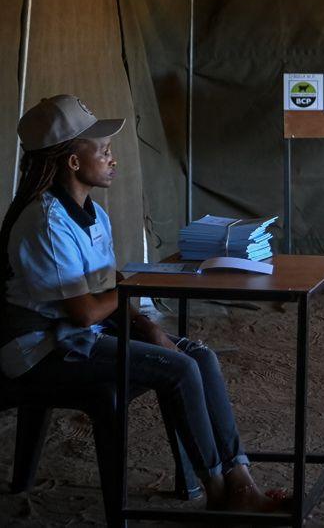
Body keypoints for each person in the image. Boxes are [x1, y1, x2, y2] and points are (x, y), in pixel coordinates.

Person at [0, 95, 286, 512]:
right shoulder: (45, 222)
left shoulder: (93, 213)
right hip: (41, 348)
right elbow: (84, 309)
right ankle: (218, 490)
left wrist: (145, 324)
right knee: (180, 367)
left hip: (83, 333)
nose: (112, 159)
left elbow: (107, 285)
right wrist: (137, 286)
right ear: (73, 162)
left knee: (200, 356)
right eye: (103, 151)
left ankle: (239, 478)